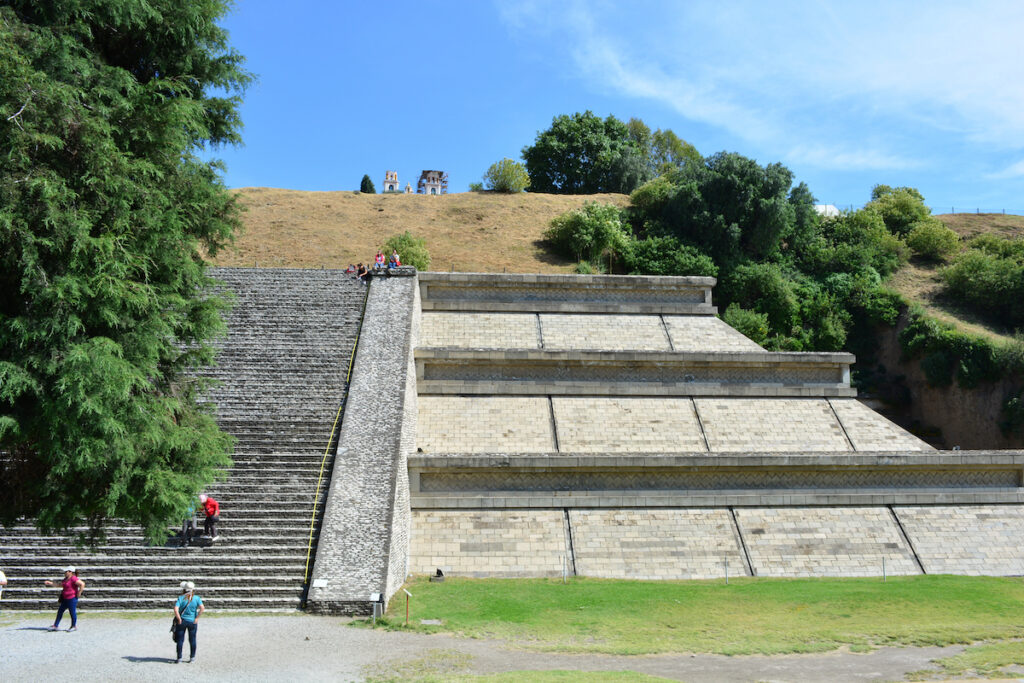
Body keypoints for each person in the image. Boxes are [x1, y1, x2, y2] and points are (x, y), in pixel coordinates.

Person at [44, 566, 85, 631]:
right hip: (65, 598)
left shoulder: (73, 578)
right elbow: (59, 585)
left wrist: (79, 592)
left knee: (72, 613)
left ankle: (73, 626)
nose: (65, 572)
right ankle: (55, 625)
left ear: (70, 572)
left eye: (66, 571)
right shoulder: (65, 579)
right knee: (60, 611)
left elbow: (82, 584)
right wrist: (50, 583)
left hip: (72, 599)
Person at [173, 581, 204, 663]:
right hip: (192, 621)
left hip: (182, 621)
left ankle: (179, 658)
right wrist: (197, 618)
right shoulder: (197, 598)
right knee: (192, 639)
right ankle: (192, 658)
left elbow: (176, 609)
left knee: (180, 640)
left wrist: (179, 619)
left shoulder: (181, 598)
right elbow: (202, 608)